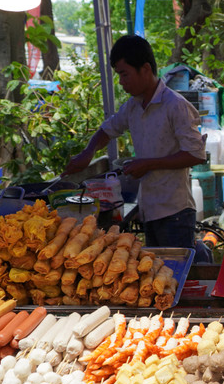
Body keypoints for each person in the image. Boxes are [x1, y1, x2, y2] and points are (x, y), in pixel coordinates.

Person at [63, 35, 206, 248]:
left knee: (174, 276)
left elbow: (196, 154)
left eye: (124, 74)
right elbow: (107, 129)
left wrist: (148, 164)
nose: (121, 82)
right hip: (149, 209)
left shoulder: (175, 105)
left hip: (175, 213)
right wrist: (88, 153)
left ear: (145, 69)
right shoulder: (133, 106)